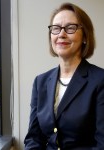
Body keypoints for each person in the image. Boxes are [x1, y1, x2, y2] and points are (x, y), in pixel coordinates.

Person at [24, 2, 104, 150]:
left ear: (85, 36)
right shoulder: (40, 82)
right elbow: (34, 138)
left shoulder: (100, 80)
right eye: (56, 28)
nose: (61, 34)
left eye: (70, 28)